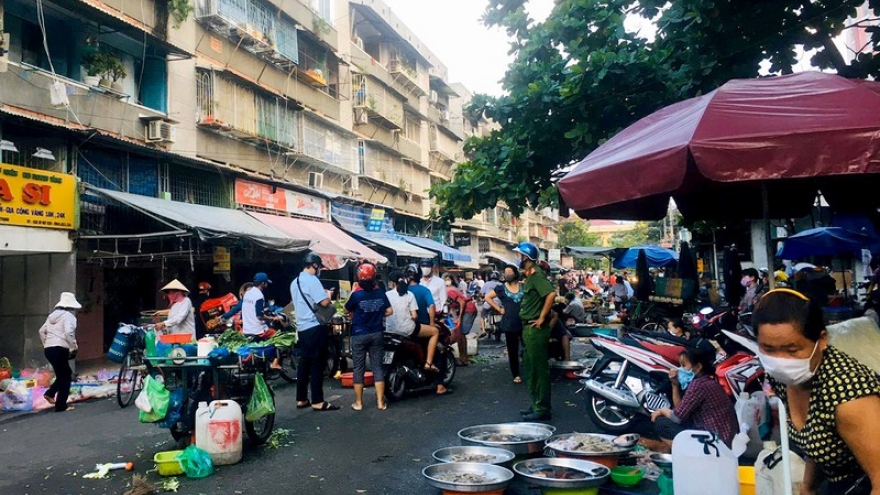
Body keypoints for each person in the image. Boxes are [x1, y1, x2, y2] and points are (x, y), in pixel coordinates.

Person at [753, 289, 880, 495]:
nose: (780, 360)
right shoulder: (784, 378)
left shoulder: (849, 396)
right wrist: (807, 488)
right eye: (768, 349)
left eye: (792, 350)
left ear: (821, 340)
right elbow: (819, 442)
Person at [651, 347, 738, 450]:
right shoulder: (708, 381)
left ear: (697, 367)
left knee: (661, 424)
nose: (680, 370)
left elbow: (677, 418)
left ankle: (689, 455)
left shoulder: (698, 385)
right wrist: (675, 385)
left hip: (716, 441)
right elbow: (680, 411)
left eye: (684, 366)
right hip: (724, 438)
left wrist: (662, 410)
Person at [291, 252, 339, 412]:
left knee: (304, 363)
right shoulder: (312, 280)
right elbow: (324, 302)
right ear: (315, 265)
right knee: (318, 363)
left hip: (302, 328)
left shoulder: (294, 282)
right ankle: (318, 401)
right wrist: (329, 294)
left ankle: (301, 398)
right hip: (315, 326)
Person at [514, 241, 557, 421]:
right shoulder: (530, 275)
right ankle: (536, 404)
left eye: (519, 255)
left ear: (526, 257)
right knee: (531, 369)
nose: (517, 258)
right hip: (528, 327)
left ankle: (542, 408)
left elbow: (551, 294)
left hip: (535, 328)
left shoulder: (537, 275)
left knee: (539, 369)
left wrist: (541, 317)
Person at [345, 263, 391, 411]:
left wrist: (352, 291)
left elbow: (346, 309)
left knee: (359, 368)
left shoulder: (356, 295)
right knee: (377, 367)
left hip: (359, 334)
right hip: (377, 333)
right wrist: (377, 313)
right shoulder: (380, 294)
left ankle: (358, 403)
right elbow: (389, 311)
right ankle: (380, 402)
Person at [405, 264, 452, 395]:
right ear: (419, 275)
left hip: (399, 329)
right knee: (440, 350)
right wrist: (431, 323)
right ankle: (439, 384)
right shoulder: (423, 291)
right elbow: (431, 306)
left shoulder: (401, 290)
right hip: (419, 328)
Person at [384, 270, 441, 372]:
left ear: (392, 283)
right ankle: (428, 363)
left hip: (390, 330)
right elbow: (414, 316)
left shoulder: (386, 295)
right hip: (407, 329)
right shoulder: (409, 294)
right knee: (435, 332)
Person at [39, 292, 80, 412]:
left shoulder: (51, 316)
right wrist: (73, 347)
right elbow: (68, 333)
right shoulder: (69, 317)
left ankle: (50, 394)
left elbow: (41, 331)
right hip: (61, 348)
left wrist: (46, 344)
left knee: (63, 374)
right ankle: (61, 405)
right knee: (66, 376)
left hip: (49, 349)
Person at [486, 265, 524, 383]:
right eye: (505, 272)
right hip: (509, 322)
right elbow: (488, 297)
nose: (507, 274)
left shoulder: (523, 286)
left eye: (510, 272)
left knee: (528, 348)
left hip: (524, 322)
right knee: (512, 351)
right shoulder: (501, 288)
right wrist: (499, 309)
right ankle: (516, 374)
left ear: (515, 273)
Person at [447, 283, 477, 366]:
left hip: (468, 309)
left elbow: (462, 302)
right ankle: (463, 357)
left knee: (461, 334)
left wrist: (459, 318)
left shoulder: (449, 292)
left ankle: (464, 358)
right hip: (464, 310)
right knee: (461, 334)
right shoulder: (447, 292)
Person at [480, 271, 503, 337]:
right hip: (499, 304)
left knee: (482, 316)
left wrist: (481, 297)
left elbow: (481, 293)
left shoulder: (487, 283)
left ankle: (483, 331)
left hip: (488, 304)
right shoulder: (501, 284)